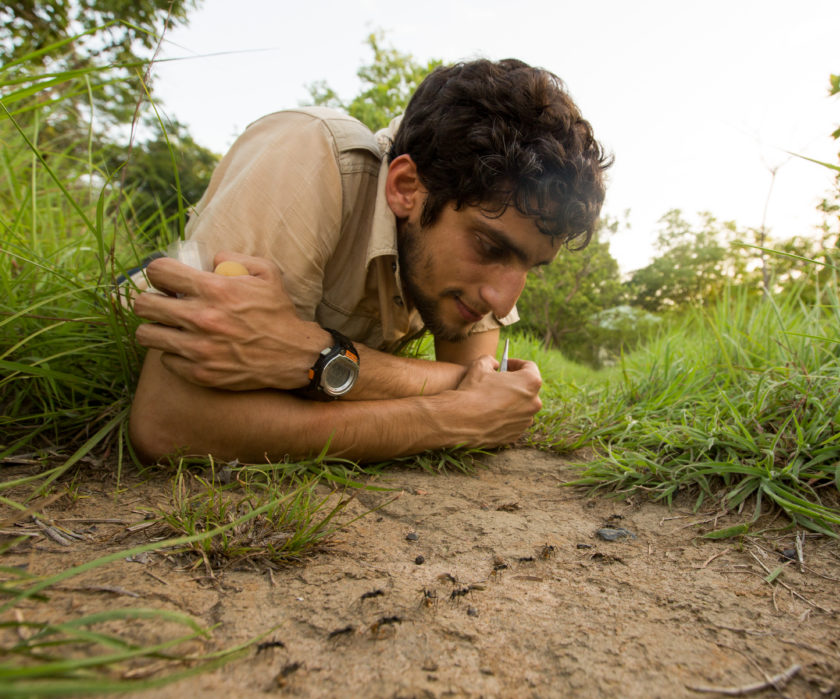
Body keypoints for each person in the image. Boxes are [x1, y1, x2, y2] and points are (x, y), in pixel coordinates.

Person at [128, 58, 610, 463]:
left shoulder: (478, 248)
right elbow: (172, 421)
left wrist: (315, 356)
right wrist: (446, 418)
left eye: (529, 267)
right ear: (406, 188)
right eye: (489, 247)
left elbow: (476, 379)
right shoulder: (309, 152)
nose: (502, 298)